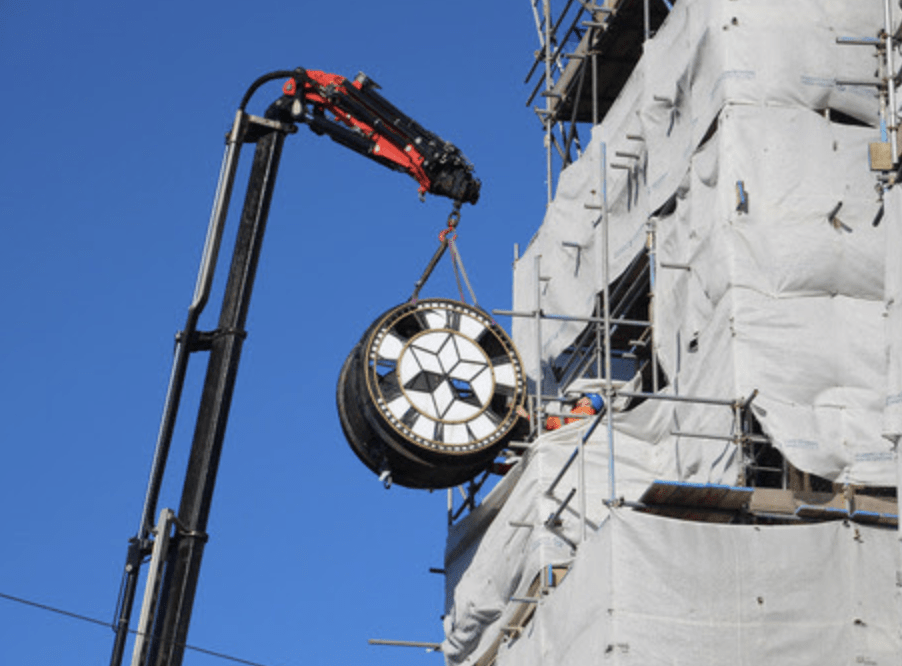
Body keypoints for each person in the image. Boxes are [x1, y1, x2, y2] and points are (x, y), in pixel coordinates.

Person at [516, 393, 604, 432]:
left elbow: (550, 423)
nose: (580, 398)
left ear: (587, 402)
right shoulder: (587, 417)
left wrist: (526, 415)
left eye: (584, 397)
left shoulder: (582, 413)